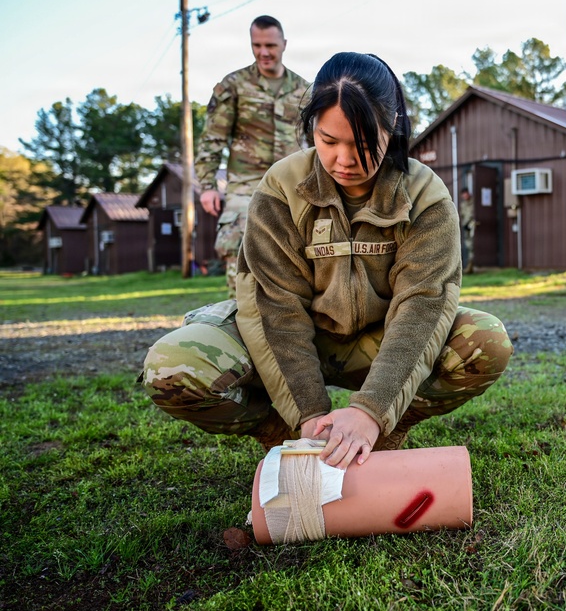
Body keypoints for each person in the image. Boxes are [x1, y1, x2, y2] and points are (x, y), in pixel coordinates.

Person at [142, 52, 513, 469]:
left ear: (392, 128)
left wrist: (372, 411)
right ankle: (283, 436)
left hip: (378, 342)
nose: (344, 160)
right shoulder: (281, 187)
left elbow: (423, 304)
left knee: (485, 341)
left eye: (362, 143)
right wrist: (309, 417)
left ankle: (385, 429)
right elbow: (276, 306)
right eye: (328, 140)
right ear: (311, 129)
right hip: (298, 339)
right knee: (172, 366)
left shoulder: (425, 193)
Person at [195, 15, 311, 297]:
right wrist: (207, 187)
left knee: (298, 247)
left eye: (270, 45)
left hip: (292, 183)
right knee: (237, 243)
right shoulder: (234, 85)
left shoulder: (304, 90)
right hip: (246, 184)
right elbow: (213, 137)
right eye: (256, 45)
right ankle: (239, 312)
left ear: (284, 44)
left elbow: (315, 141)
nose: (264, 52)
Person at [458, 187, 475, 274]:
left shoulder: (474, 202)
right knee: (468, 246)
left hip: (472, 225)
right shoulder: (463, 204)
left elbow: (473, 214)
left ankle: (471, 266)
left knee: (472, 245)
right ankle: (469, 266)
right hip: (466, 226)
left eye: (466, 194)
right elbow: (463, 215)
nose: (465, 196)